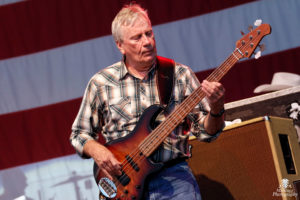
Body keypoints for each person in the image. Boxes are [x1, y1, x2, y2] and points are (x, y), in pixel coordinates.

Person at [70, 3, 225, 200]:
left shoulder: (179, 75)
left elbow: (206, 133)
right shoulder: (101, 83)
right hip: (122, 184)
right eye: (137, 37)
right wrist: (98, 151)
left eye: (149, 33)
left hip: (173, 180)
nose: (147, 41)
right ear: (120, 45)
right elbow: (78, 134)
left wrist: (217, 109)